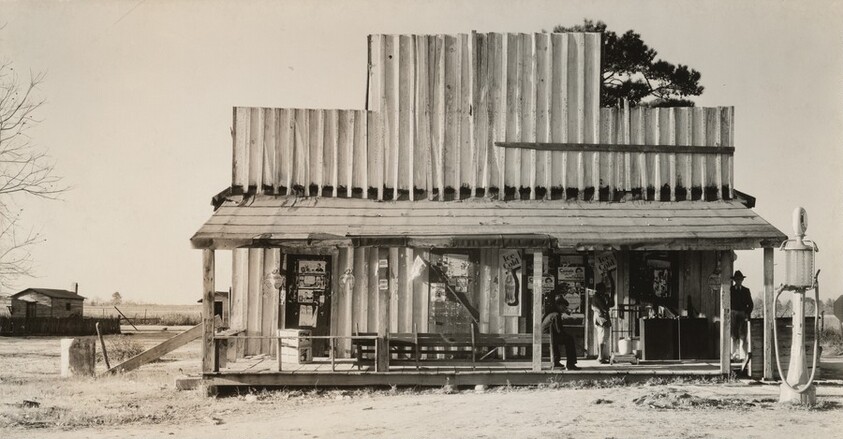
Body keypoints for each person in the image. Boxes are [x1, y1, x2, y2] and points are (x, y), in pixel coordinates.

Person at [542, 294, 581, 370]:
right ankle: (570, 364)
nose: (564, 309)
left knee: (566, 338)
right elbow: (559, 331)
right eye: (563, 307)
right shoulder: (556, 315)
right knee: (569, 340)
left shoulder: (551, 313)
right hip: (549, 337)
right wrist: (568, 336)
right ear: (558, 305)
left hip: (546, 336)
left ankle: (556, 361)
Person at [730, 270, 753, 361]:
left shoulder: (746, 290)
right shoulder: (730, 290)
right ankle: (733, 356)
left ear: (742, 280)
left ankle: (743, 356)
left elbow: (750, 304)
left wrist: (747, 313)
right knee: (733, 335)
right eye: (737, 279)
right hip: (733, 314)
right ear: (734, 280)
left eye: (740, 279)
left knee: (743, 335)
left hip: (743, 314)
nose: (738, 281)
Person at [591, 281, 613, 364]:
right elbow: (605, 308)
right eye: (603, 289)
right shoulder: (597, 297)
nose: (604, 291)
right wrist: (607, 300)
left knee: (603, 336)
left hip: (601, 317)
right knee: (602, 336)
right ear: (599, 289)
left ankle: (601, 356)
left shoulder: (599, 296)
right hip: (601, 317)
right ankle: (600, 356)